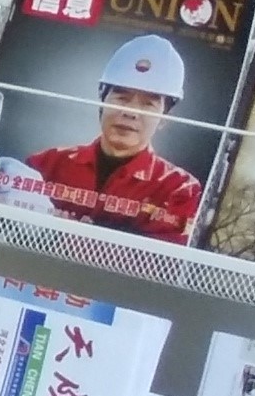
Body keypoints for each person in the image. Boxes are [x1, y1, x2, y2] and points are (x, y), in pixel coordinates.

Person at [25, 35, 212, 243]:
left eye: (148, 104)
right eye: (122, 98)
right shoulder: (45, 164)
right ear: (102, 100)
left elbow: (160, 259)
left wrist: (65, 235)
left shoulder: (179, 189)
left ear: (164, 119)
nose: (131, 112)